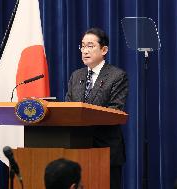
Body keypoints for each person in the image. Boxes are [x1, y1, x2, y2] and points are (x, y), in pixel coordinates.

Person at [65, 27, 128, 189]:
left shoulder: (117, 76)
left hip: (105, 149)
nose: (85, 50)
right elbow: (68, 108)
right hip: (76, 148)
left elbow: (115, 110)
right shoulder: (76, 76)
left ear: (104, 49)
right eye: (82, 46)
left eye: (90, 46)